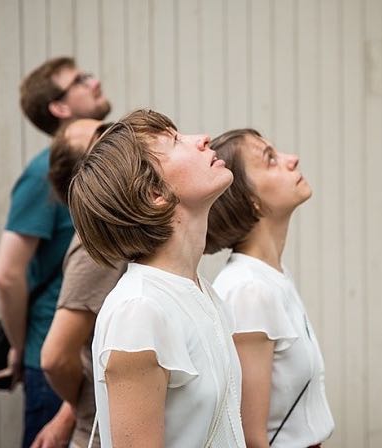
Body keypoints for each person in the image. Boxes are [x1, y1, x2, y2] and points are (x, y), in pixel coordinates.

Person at [67, 109, 246, 447]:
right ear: (154, 193)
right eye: (175, 141)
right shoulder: (139, 310)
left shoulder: (201, 292)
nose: (203, 139)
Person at [0, 56, 111, 448]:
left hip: (89, 354)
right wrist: (22, 346)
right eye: (80, 80)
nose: (93, 82)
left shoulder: (98, 159)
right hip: (59, 361)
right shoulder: (43, 173)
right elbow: (7, 274)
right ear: (59, 108)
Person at [205, 129, 334, 447]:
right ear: (252, 202)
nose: (293, 160)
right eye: (270, 160)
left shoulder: (271, 276)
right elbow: (251, 439)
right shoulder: (248, 290)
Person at [32, 119, 123, 448]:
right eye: (102, 135)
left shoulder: (123, 232)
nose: (118, 133)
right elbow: (55, 357)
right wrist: (82, 404)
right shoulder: (97, 247)